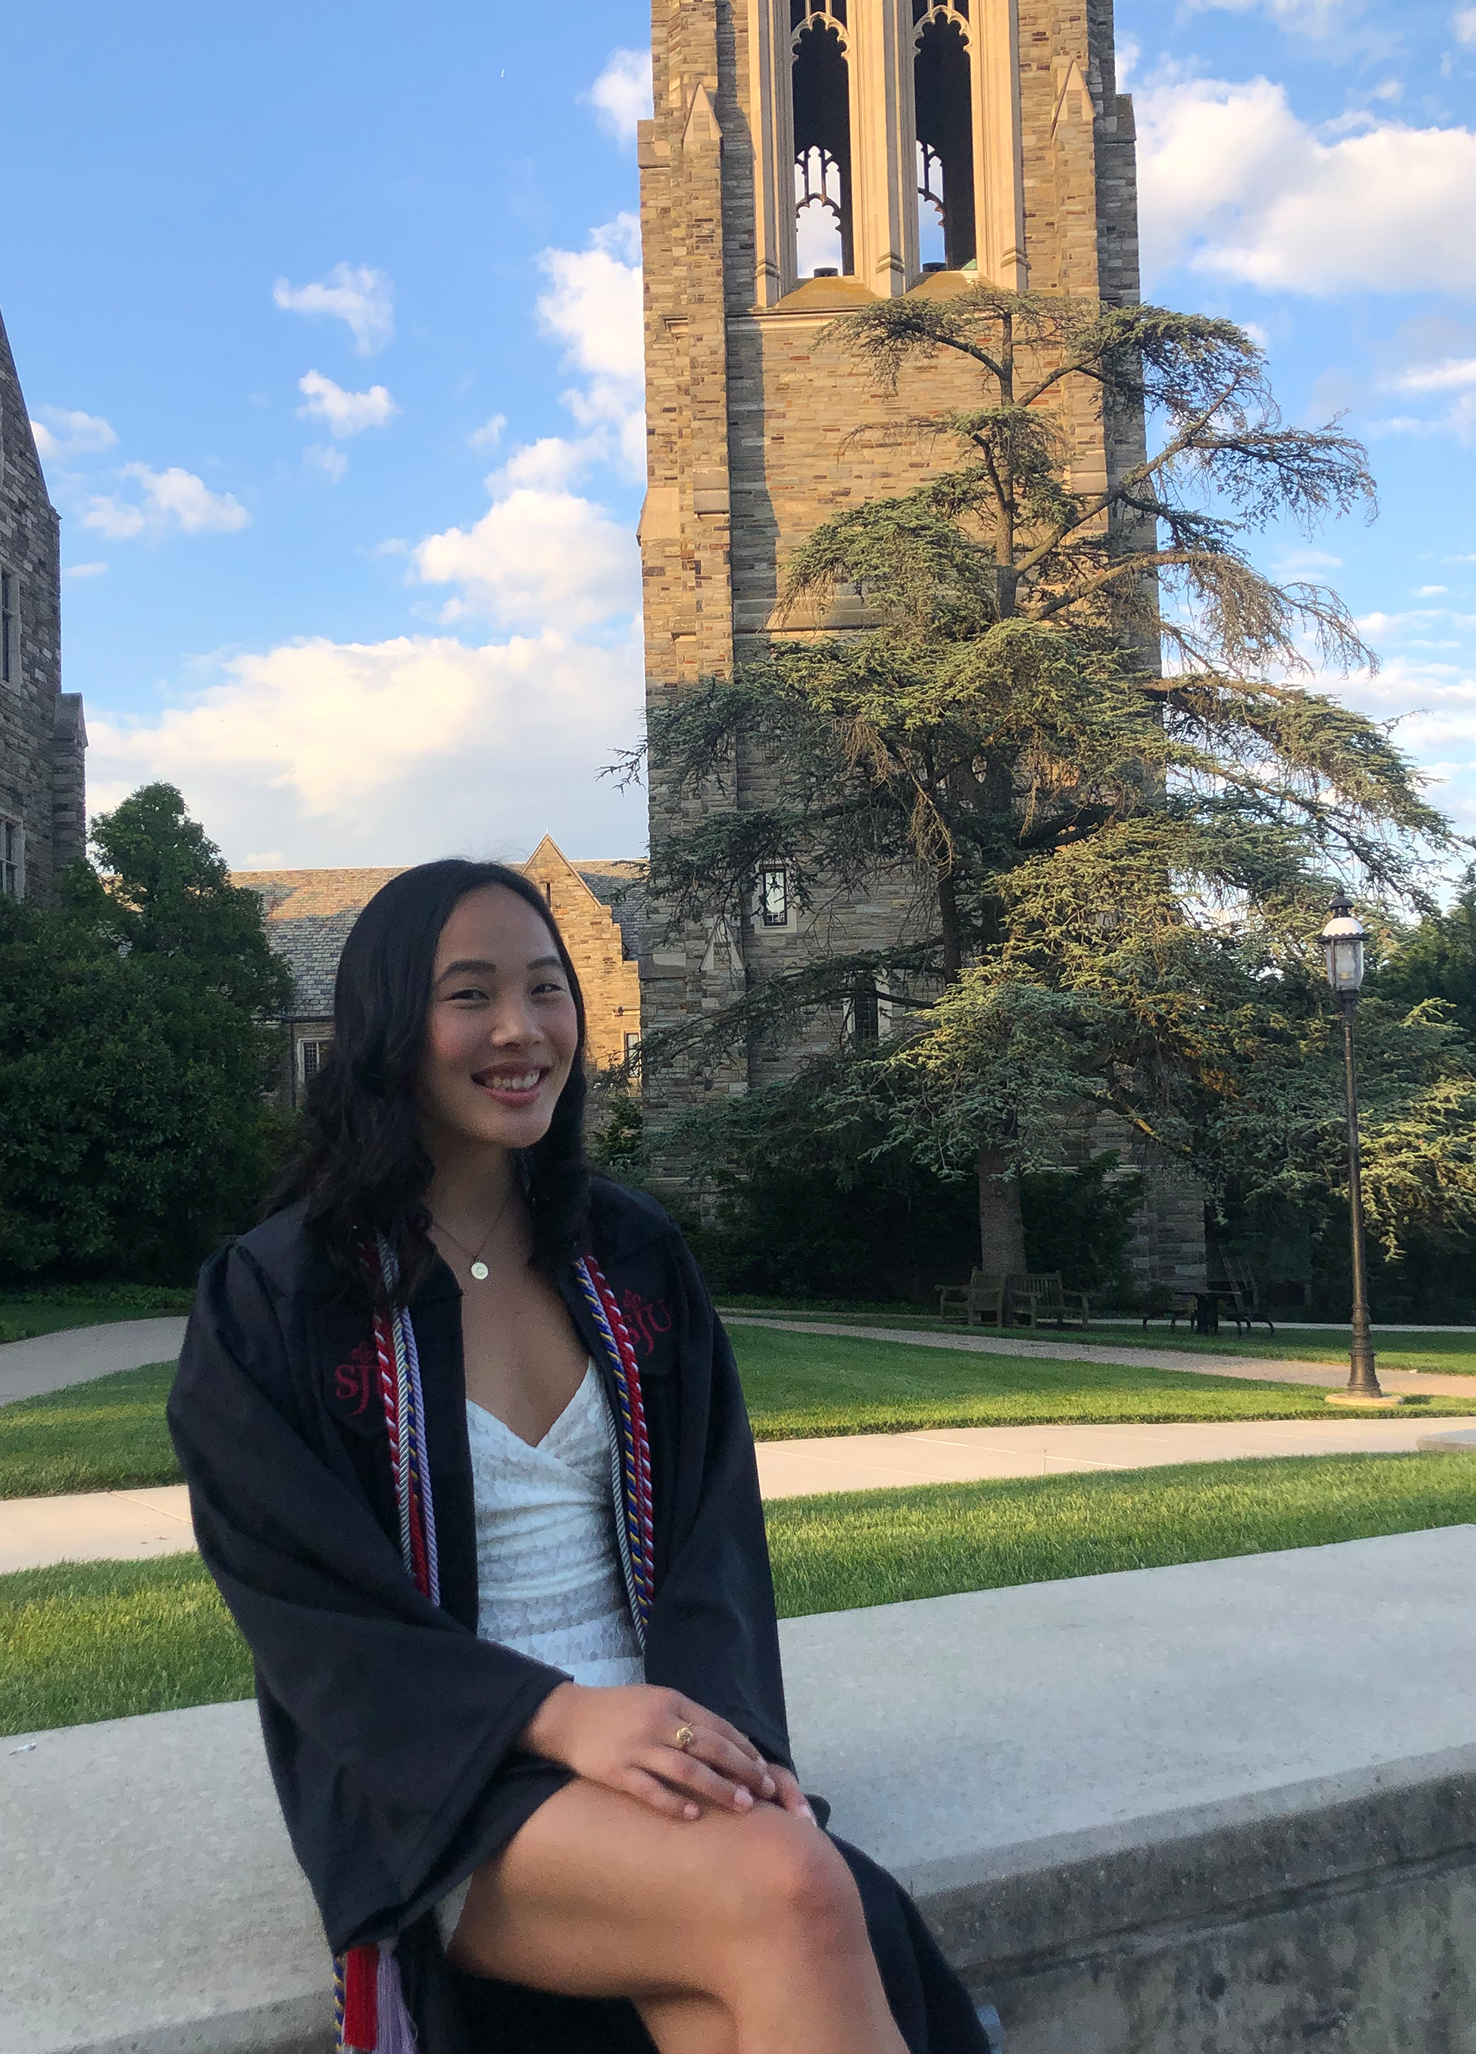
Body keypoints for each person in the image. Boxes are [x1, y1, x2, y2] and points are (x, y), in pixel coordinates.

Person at [169, 858, 990, 2054]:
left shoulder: (630, 1253)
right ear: (390, 1026)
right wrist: (555, 1718)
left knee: (735, 1971)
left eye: (547, 989)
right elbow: (307, 1606)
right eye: (471, 994)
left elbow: (715, 1539)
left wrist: (720, 1735)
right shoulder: (282, 1297)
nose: (521, 1028)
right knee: (800, 1891)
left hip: (658, 1730)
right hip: (445, 1778)